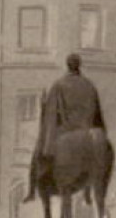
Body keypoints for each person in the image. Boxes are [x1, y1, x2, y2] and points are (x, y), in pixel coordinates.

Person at [25, 51, 107, 202]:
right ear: (79, 66)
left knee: (37, 152)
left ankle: (31, 191)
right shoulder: (90, 85)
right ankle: (87, 191)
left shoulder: (59, 85)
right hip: (88, 131)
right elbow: (98, 115)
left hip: (66, 131)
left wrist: (44, 106)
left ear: (67, 66)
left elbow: (50, 116)